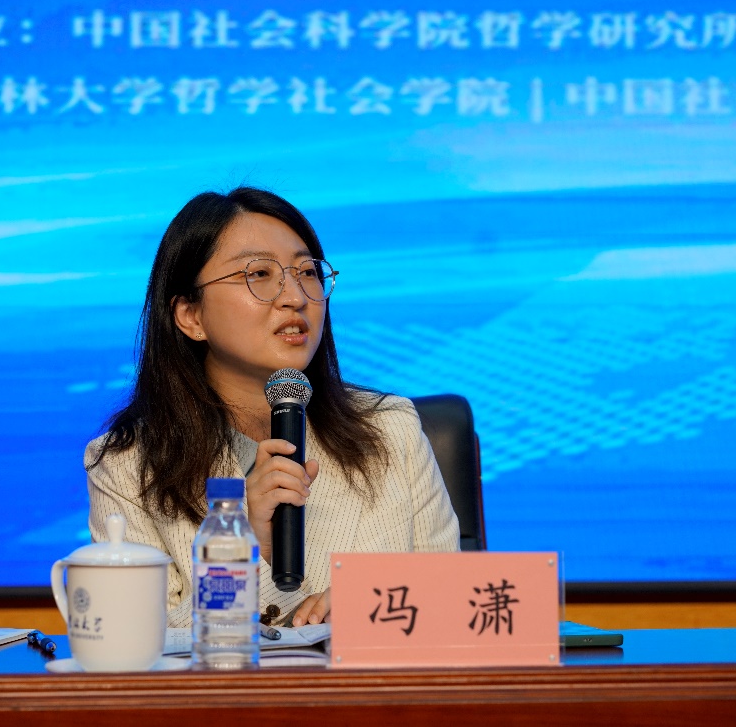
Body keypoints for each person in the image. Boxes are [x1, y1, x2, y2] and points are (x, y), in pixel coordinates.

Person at [86, 187, 459, 628]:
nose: (295, 296)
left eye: (307, 272)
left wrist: (378, 607)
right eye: (259, 273)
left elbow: (456, 605)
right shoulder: (129, 467)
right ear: (191, 316)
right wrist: (243, 551)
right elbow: (138, 640)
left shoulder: (390, 431)